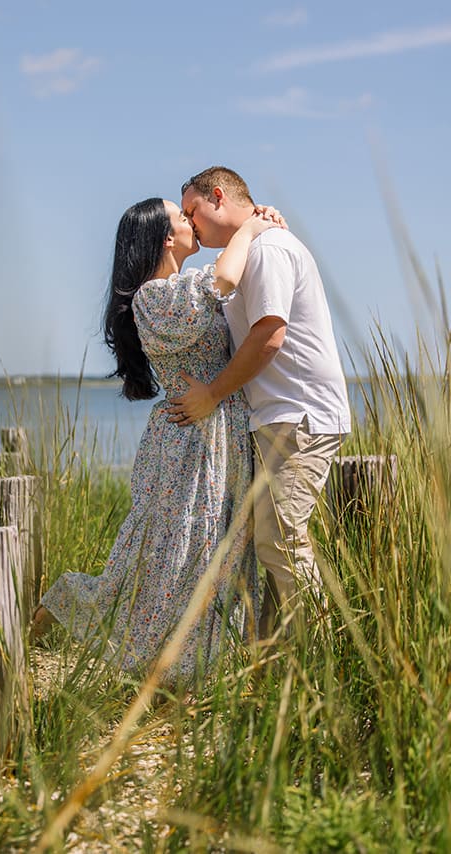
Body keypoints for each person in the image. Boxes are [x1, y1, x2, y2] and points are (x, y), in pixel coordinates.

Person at [31, 197, 280, 684]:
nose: (193, 222)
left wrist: (259, 225)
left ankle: (190, 670)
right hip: (187, 443)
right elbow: (222, 279)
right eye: (183, 217)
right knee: (161, 555)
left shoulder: (183, 287)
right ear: (166, 237)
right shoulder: (154, 297)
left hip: (220, 433)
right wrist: (250, 226)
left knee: (211, 550)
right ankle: (61, 610)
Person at [170, 166, 350, 638]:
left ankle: (325, 660)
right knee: (269, 544)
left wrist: (210, 395)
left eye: (192, 211)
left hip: (299, 412)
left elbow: (270, 335)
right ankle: (281, 661)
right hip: (276, 415)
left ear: (217, 197)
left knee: (281, 541)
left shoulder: (269, 249)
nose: (190, 224)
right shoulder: (251, 246)